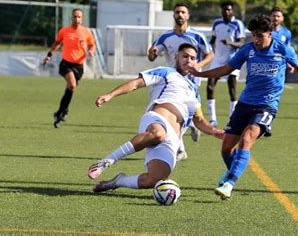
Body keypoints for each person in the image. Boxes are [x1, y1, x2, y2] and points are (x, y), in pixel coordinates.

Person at [187, 14, 298, 200]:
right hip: (245, 103)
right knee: (226, 148)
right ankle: (232, 174)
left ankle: (229, 184)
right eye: (253, 35)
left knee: (247, 138)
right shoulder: (248, 50)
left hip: (267, 105)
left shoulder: (283, 49)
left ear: (270, 33)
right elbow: (226, 69)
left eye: (260, 35)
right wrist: (199, 74)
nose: (256, 39)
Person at [88, 43, 224, 193]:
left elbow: (199, 121)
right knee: (158, 134)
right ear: (176, 57)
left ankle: (118, 181)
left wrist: (216, 132)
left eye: (192, 58)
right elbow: (135, 84)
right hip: (157, 119)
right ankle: (107, 161)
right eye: (185, 56)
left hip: (173, 139)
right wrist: (110, 95)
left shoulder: (194, 91)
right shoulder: (166, 72)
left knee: (154, 180)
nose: (188, 60)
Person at [147, 3, 214, 160]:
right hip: (173, 83)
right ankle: (180, 150)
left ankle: (191, 126)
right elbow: (152, 56)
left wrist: (198, 65)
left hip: (192, 83)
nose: (180, 15)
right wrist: (152, 54)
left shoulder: (197, 36)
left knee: (188, 115)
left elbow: (210, 55)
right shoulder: (165, 37)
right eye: (177, 12)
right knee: (175, 115)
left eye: (183, 12)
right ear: (173, 15)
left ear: (188, 15)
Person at [43, 8, 95, 128]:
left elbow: (92, 45)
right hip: (66, 64)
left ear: (82, 19)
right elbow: (56, 43)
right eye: (75, 17)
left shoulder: (86, 32)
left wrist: (91, 51)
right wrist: (49, 55)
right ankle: (62, 112)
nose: (77, 19)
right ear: (71, 18)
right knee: (72, 85)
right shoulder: (65, 31)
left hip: (79, 66)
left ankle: (60, 113)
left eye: (79, 17)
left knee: (70, 89)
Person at [206, 1, 246, 127]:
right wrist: (210, 48)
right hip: (218, 59)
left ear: (232, 11)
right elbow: (213, 39)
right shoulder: (217, 23)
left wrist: (230, 43)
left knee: (232, 89)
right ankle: (213, 120)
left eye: (229, 9)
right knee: (210, 86)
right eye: (225, 9)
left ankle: (231, 119)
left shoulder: (238, 24)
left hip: (232, 60)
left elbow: (241, 43)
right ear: (221, 10)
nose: (227, 12)